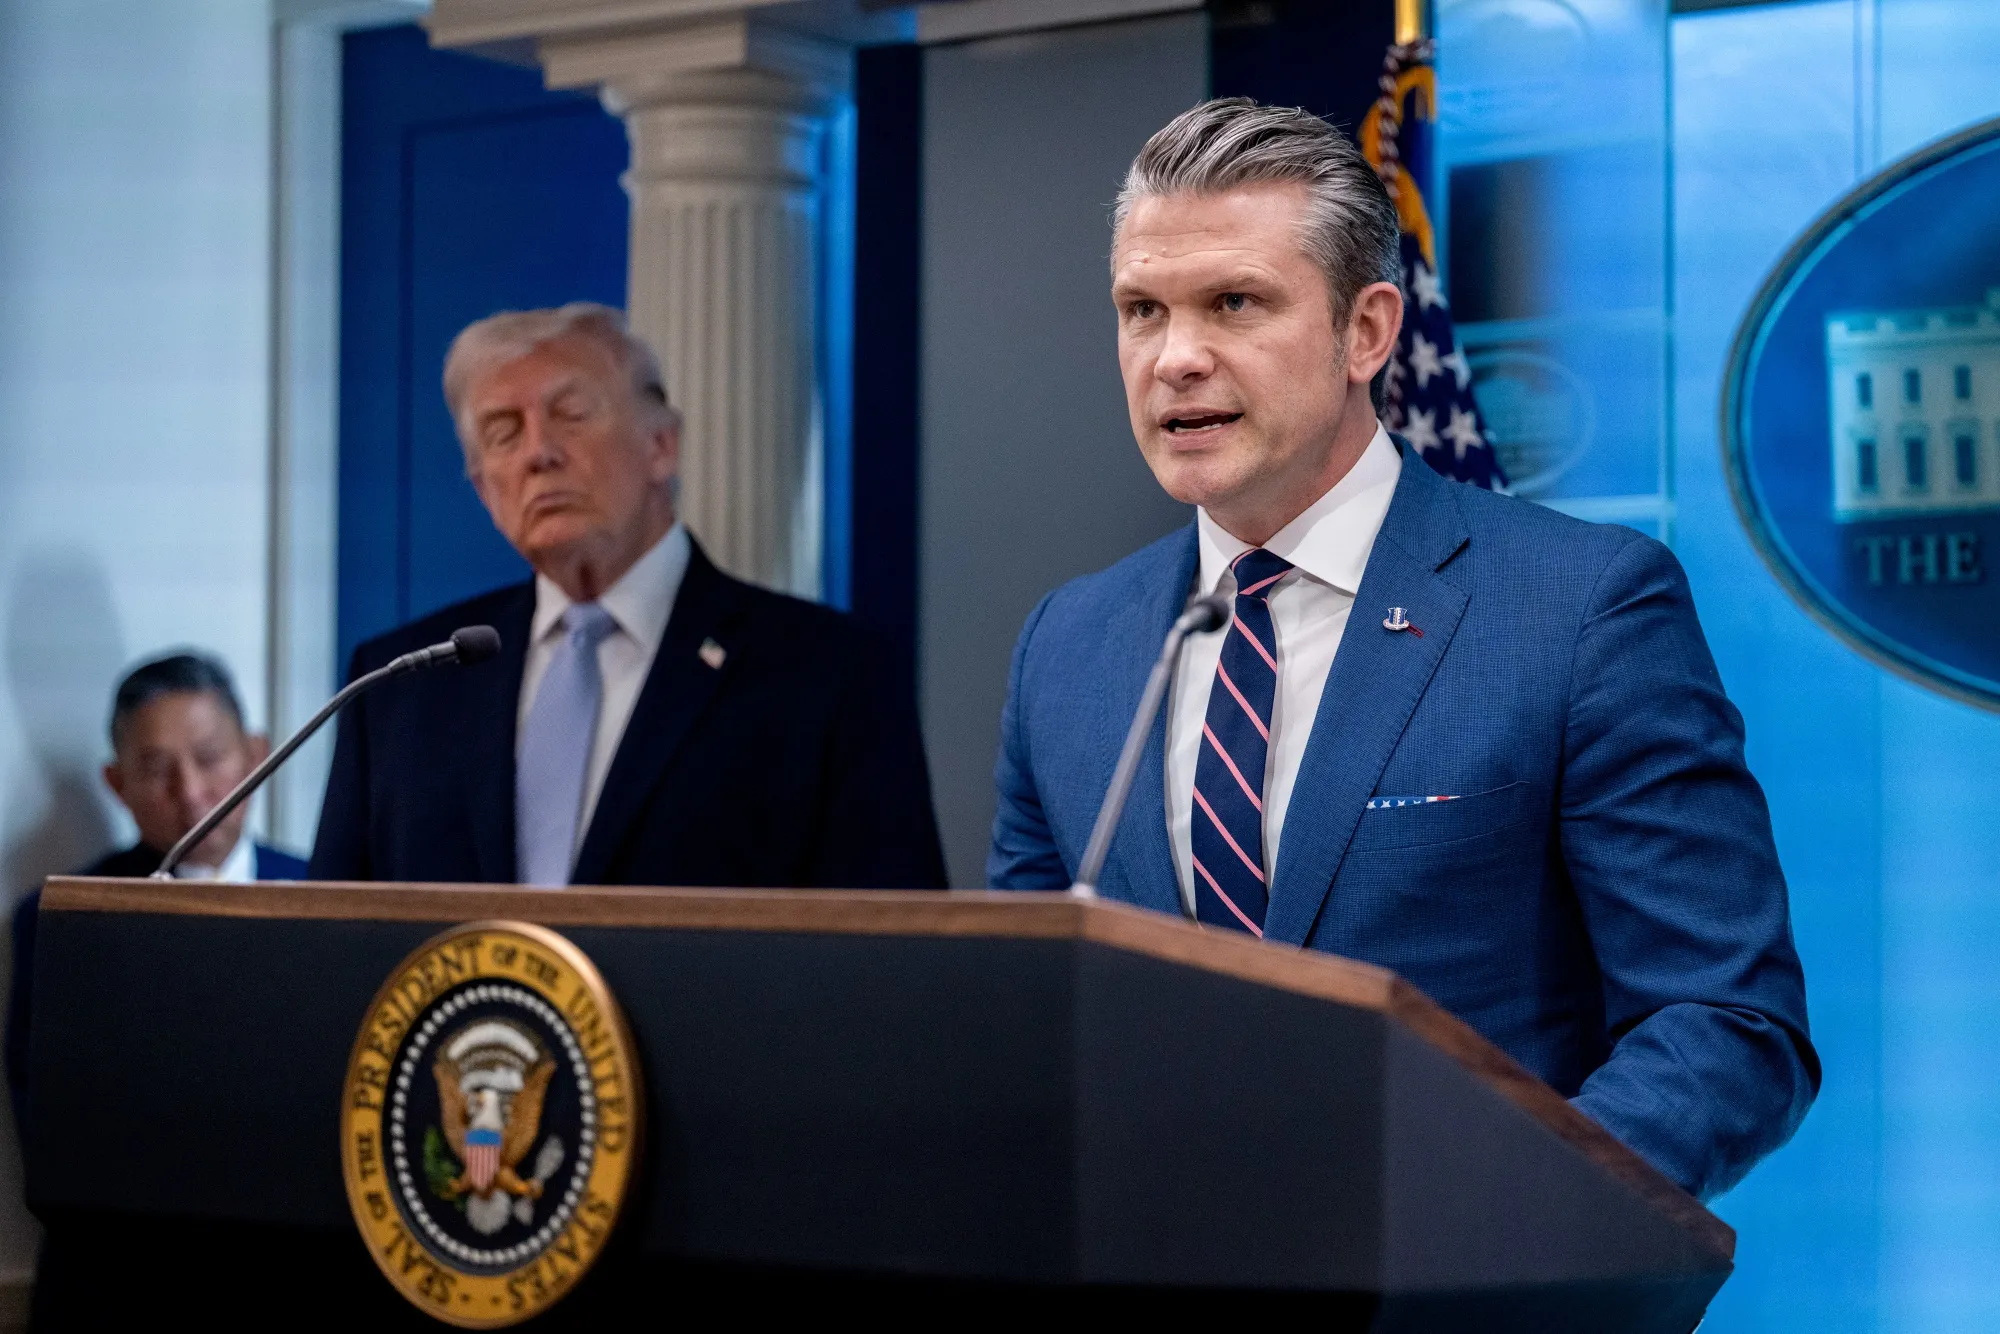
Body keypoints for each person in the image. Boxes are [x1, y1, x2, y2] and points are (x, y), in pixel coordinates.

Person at [987, 99, 1816, 1201]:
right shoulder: (1067, 647)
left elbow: (1724, 1021)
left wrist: (1512, 1217)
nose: (1175, 358)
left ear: (1367, 332)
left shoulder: (1579, 609)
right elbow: (1029, 1024)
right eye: (1142, 311)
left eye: (1234, 303)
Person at [311, 303, 945, 891]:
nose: (540, 453)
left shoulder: (829, 675)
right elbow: (332, 944)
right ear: (484, 490)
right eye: (504, 433)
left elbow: (890, 944)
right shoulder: (398, 686)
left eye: (571, 414)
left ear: (661, 445)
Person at [7, 651, 308, 1119]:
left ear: (255, 756)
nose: (189, 792)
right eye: (155, 769)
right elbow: (49, 1108)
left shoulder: (333, 892)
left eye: (209, 758)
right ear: (117, 784)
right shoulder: (65, 918)